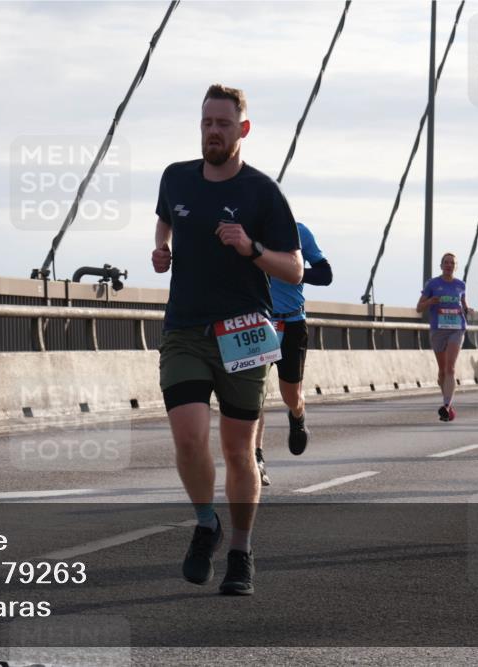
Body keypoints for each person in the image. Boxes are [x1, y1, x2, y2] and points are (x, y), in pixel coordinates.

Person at [152, 84, 302, 595]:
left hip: (242, 334)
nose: (212, 132)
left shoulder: (263, 192)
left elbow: (295, 270)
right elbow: (166, 218)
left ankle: (240, 550)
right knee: (189, 437)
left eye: (222, 124)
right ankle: (204, 521)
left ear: (243, 129)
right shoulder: (176, 178)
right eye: (206, 123)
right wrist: (161, 249)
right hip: (185, 330)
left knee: (239, 452)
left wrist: (251, 246)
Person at [254, 222, 333, 486]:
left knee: (291, 396)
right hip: (257, 322)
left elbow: (325, 275)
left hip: (292, 323)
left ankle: (297, 416)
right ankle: (257, 458)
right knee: (254, 396)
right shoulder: (247, 230)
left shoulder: (299, 232)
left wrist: (292, 272)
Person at [417, 253, 472, 421]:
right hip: (438, 329)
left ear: (456, 266)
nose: (449, 265)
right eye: (446, 262)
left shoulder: (460, 285)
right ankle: (447, 403)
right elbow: (419, 308)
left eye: (452, 263)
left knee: (450, 368)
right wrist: (430, 302)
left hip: (457, 329)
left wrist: (469, 310)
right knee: (442, 371)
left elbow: (464, 306)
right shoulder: (432, 284)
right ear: (441, 266)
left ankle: (447, 405)